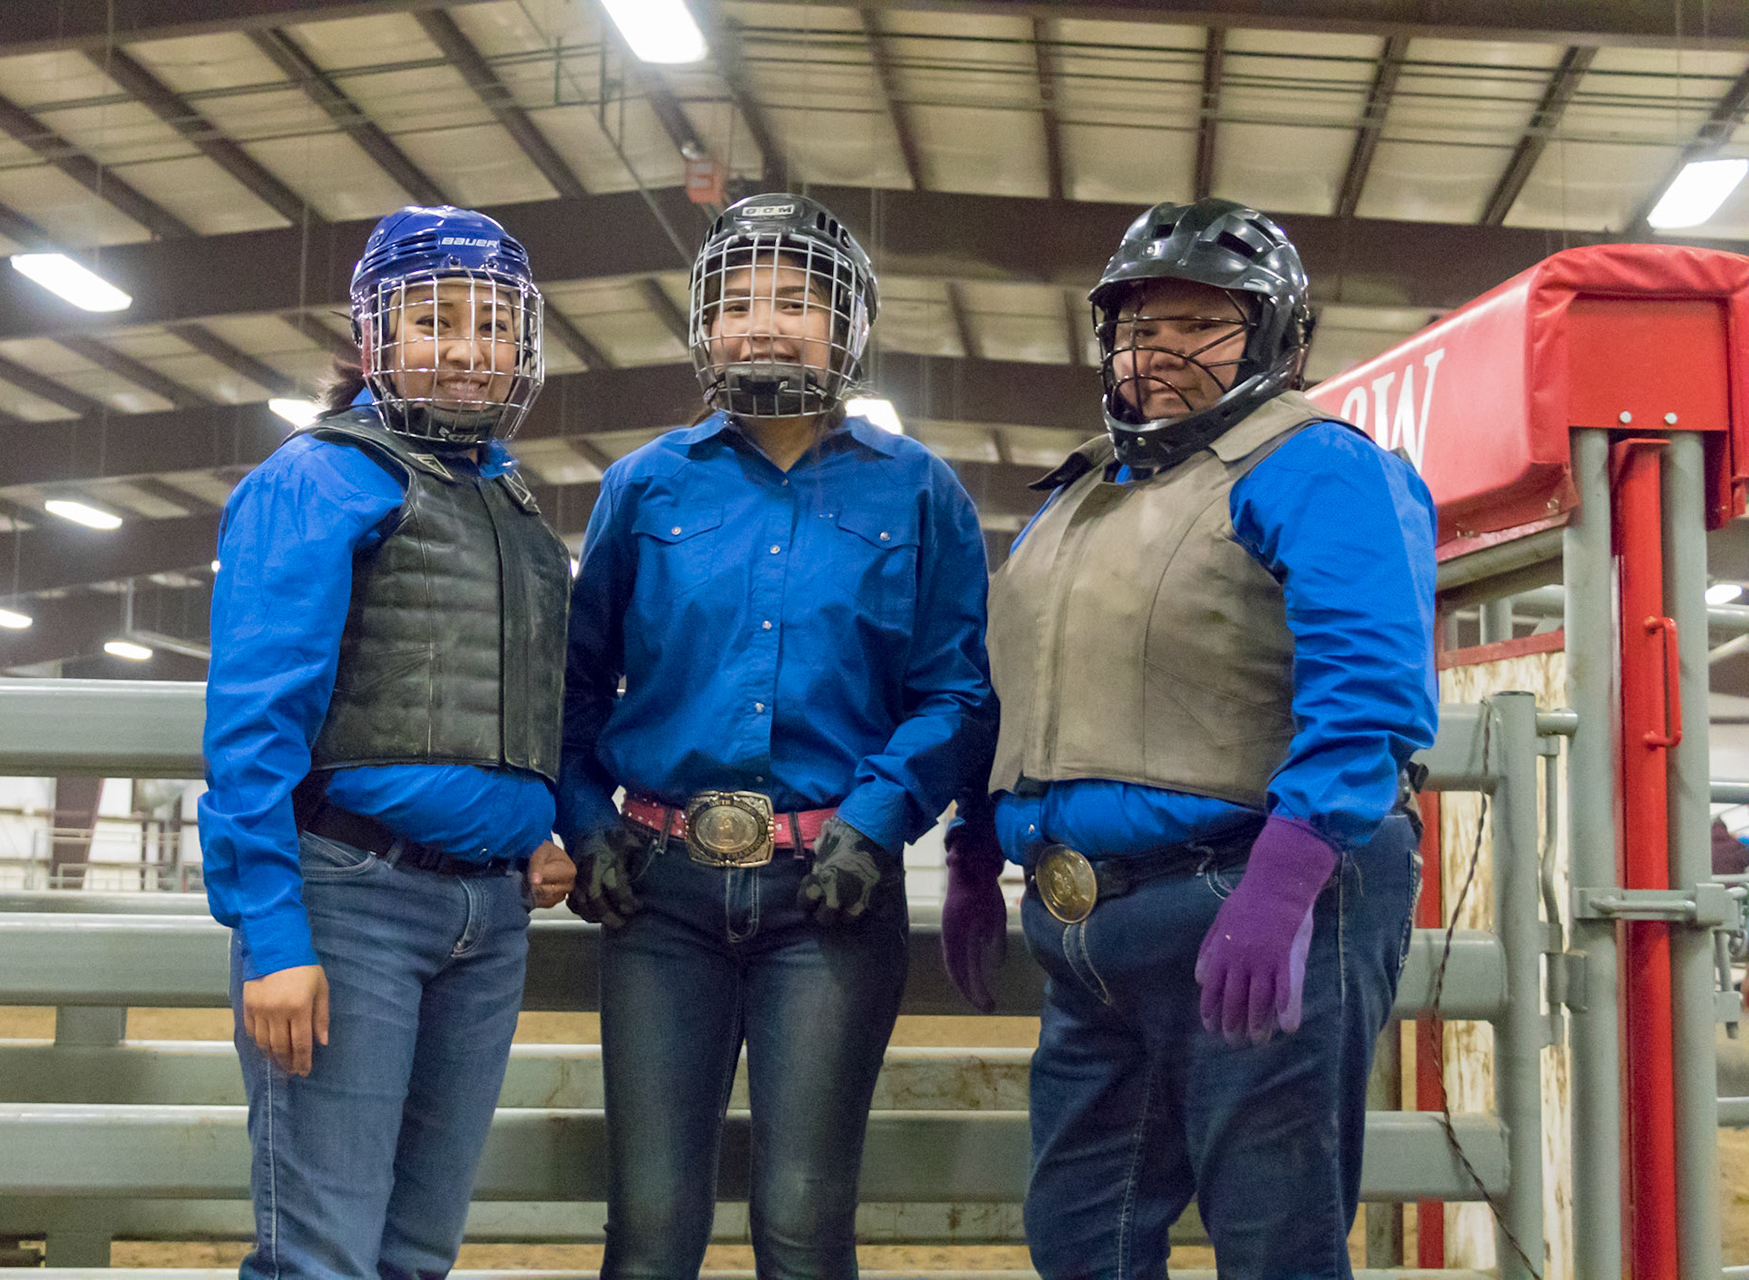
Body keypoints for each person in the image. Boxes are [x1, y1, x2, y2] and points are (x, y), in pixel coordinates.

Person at [940, 197, 1438, 1277]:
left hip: (1248, 892)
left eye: (1202, 323)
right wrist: (974, 848)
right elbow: (1008, 686)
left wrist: (1284, 885)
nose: (1159, 349)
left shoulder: (1316, 465)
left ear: (1274, 337)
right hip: (1088, 921)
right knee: (1083, 1235)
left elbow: (1368, 686)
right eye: (1139, 326)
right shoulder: (1075, 495)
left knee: (1272, 1238)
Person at [556, 192, 998, 1280]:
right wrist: (584, 820)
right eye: (738, 303)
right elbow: (572, 685)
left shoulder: (919, 492)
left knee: (803, 1222)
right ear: (704, 327)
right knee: (651, 1226)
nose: (764, 325)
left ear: (846, 326)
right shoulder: (644, 486)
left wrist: (877, 819)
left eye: (797, 301)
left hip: (830, 894)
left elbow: (955, 690)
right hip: (659, 894)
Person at [199, 204, 576, 1280]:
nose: (466, 349)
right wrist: (276, 935)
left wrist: (535, 820)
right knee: (322, 1251)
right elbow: (254, 724)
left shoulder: (507, 496)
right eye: (432, 319)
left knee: (418, 1247)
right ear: (373, 336)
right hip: (353, 899)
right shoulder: (318, 479)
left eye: (492, 324)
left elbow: (515, 684)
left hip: (489, 914)